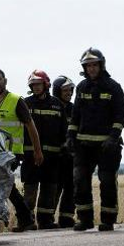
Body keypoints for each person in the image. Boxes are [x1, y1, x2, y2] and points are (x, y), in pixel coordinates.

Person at [65, 48, 124, 231]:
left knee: (107, 181)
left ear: (101, 65)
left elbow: (121, 115)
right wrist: (70, 137)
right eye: (88, 66)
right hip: (83, 145)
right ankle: (85, 219)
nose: (91, 69)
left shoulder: (113, 87)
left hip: (107, 145)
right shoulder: (82, 87)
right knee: (80, 180)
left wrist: (113, 138)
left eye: (94, 65)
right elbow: (75, 116)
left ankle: (107, 220)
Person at [0, 69, 43, 232]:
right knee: (4, 186)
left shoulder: (16, 101)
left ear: (5, 81)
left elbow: (31, 126)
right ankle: (25, 219)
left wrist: (37, 150)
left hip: (12, 153)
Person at [22, 70, 67, 229]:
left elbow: (64, 131)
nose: (35, 87)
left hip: (53, 156)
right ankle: (26, 221)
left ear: (46, 84)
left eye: (38, 84)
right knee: (30, 189)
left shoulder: (57, 105)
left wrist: (64, 149)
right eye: (33, 85)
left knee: (50, 188)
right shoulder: (25, 104)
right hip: (30, 156)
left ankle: (46, 220)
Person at [52, 75, 76, 228]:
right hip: (56, 155)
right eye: (65, 90)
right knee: (55, 186)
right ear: (57, 91)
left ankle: (66, 218)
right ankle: (47, 218)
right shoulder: (52, 107)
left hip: (72, 156)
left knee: (71, 187)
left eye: (70, 90)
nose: (69, 93)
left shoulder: (74, 109)